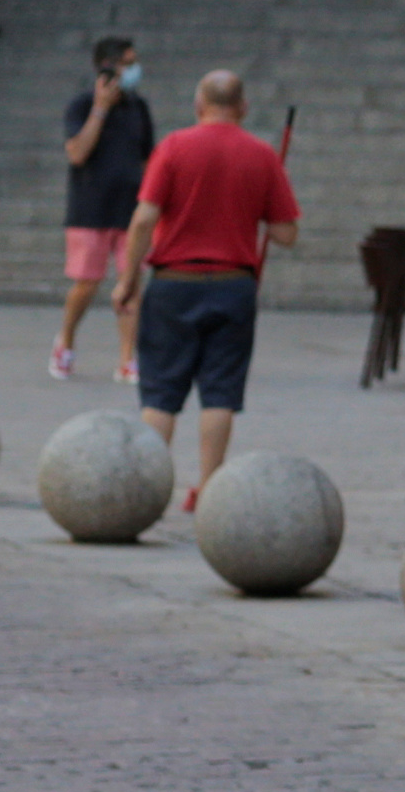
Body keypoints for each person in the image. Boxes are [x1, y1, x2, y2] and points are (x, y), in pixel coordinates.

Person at [122, 67, 300, 508]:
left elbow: (144, 219)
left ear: (199, 104)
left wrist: (128, 280)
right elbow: (286, 233)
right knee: (220, 392)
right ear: (242, 107)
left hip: (173, 284)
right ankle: (210, 490)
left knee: (161, 393)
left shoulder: (174, 148)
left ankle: (148, 488)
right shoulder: (262, 156)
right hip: (233, 285)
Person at [55, 35, 154, 382]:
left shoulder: (138, 108)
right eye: (128, 63)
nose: (134, 70)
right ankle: (65, 341)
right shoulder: (81, 105)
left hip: (130, 211)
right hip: (90, 209)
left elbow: (148, 159)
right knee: (87, 282)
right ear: (107, 67)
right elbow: (77, 153)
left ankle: (128, 358)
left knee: (131, 283)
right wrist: (100, 107)